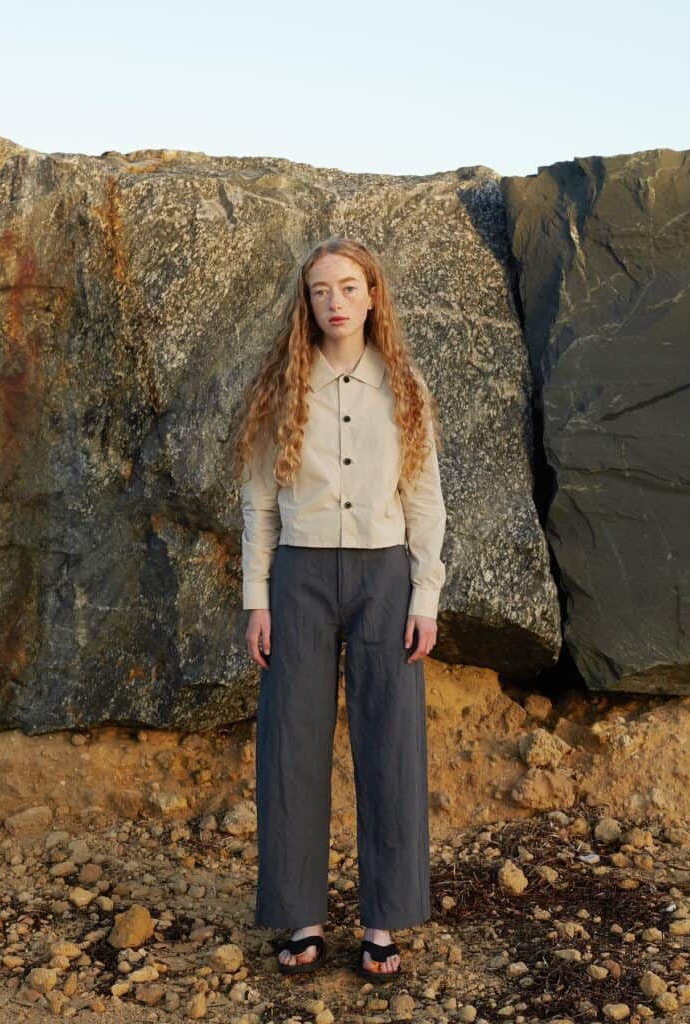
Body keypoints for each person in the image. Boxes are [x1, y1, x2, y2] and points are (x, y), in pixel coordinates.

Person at [231, 235, 447, 981]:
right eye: (321, 290)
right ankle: (303, 918)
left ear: (373, 295)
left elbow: (424, 499)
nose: (335, 302)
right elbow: (258, 502)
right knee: (292, 745)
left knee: (390, 745)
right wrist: (257, 599)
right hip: (300, 576)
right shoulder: (283, 385)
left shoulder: (406, 386)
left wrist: (426, 595)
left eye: (349, 287)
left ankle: (383, 921)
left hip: (386, 576)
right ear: (307, 302)